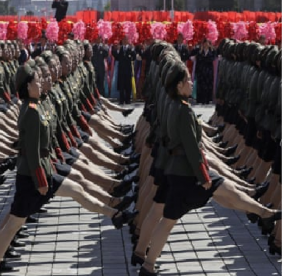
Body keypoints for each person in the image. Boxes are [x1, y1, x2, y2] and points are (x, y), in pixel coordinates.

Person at [0, 63, 136, 276]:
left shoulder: (35, 106)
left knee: (74, 191)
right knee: (15, 221)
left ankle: (115, 214)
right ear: (27, 87)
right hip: (32, 177)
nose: (40, 83)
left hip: (41, 171)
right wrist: (41, 181)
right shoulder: (31, 111)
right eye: (36, 81)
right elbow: (33, 151)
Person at [138, 61, 281, 276]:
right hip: (187, 173)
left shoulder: (172, 104)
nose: (191, 82)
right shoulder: (183, 111)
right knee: (172, 219)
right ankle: (263, 212)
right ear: (178, 85)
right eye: (187, 79)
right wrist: (203, 174)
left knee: (220, 191)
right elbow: (192, 148)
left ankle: (263, 212)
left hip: (175, 170)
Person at [190, 38, 217, 104]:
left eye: (207, 43)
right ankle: (200, 99)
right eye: (204, 43)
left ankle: (208, 99)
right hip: (201, 71)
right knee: (201, 85)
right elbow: (197, 57)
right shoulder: (199, 51)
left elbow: (212, 58)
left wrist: (205, 58)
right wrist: (201, 53)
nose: (206, 44)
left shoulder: (212, 51)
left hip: (208, 71)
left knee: (208, 85)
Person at [112, 37, 136, 104]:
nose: (125, 41)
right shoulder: (120, 48)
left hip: (128, 70)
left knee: (128, 85)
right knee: (121, 86)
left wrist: (132, 50)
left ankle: (128, 99)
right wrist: (117, 50)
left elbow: (133, 57)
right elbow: (116, 57)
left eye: (126, 39)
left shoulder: (130, 48)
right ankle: (121, 100)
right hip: (121, 70)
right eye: (123, 39)